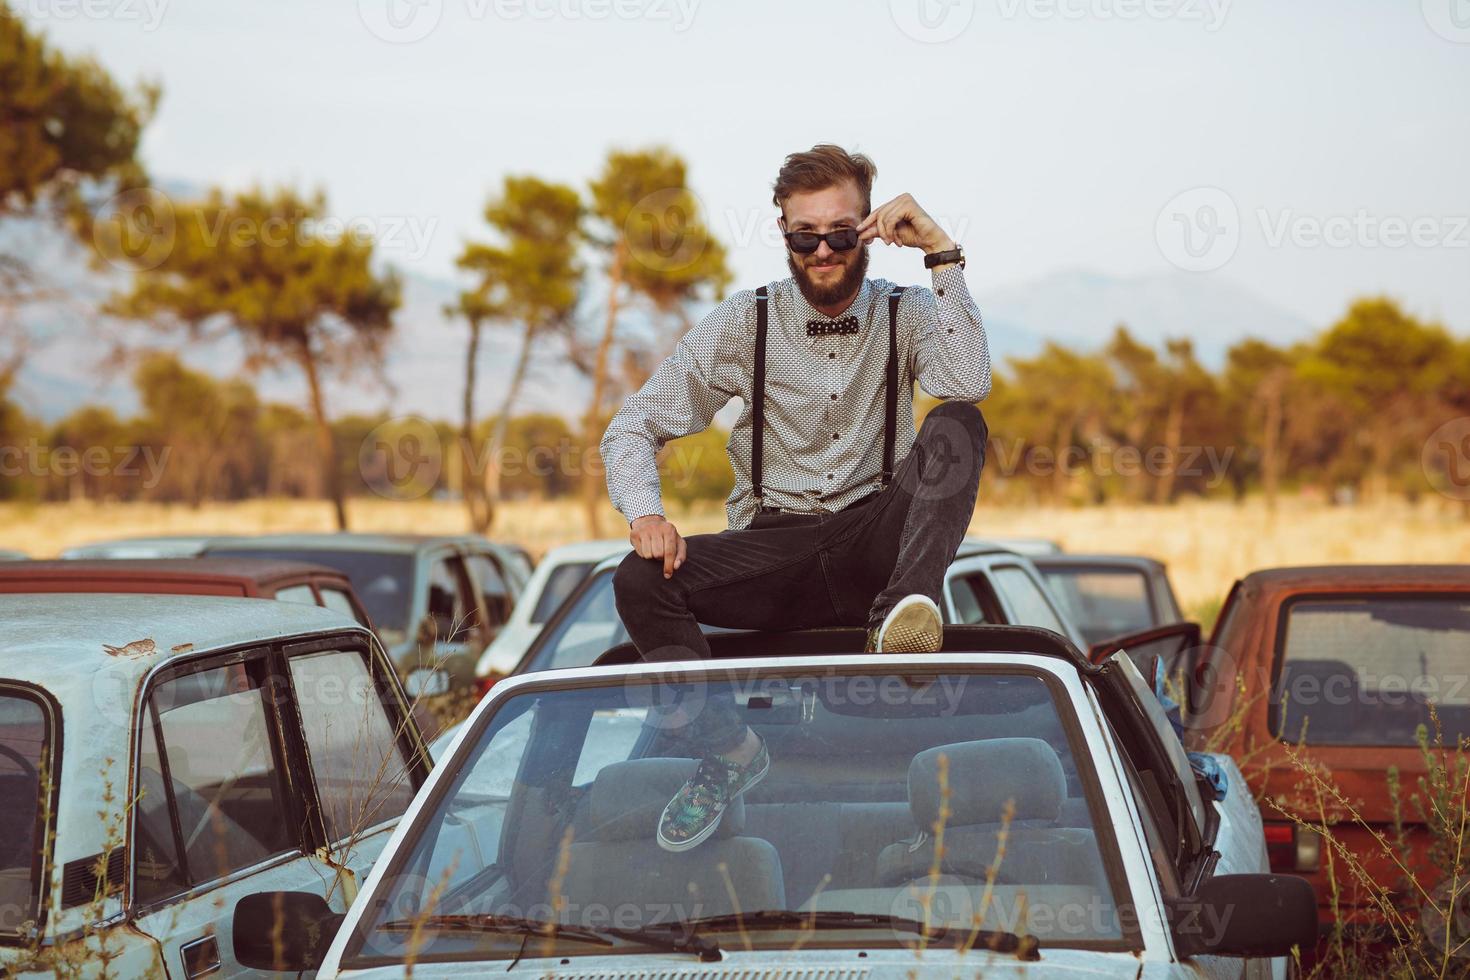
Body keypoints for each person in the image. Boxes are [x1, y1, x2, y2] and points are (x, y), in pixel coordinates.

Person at [600, 144, 991, 851]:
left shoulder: (904, 313)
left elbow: (967, 381)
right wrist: (647, 513)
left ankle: (907, 613)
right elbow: (632, 425)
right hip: (772, 552)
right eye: (803, 235)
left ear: (868, 229)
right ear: (782, 231)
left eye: (840, 232)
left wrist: (941, 251)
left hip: (876, 544)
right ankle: (729, 754)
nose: (822, 251)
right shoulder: (741, 323)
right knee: (635, 579)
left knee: (959, 421)